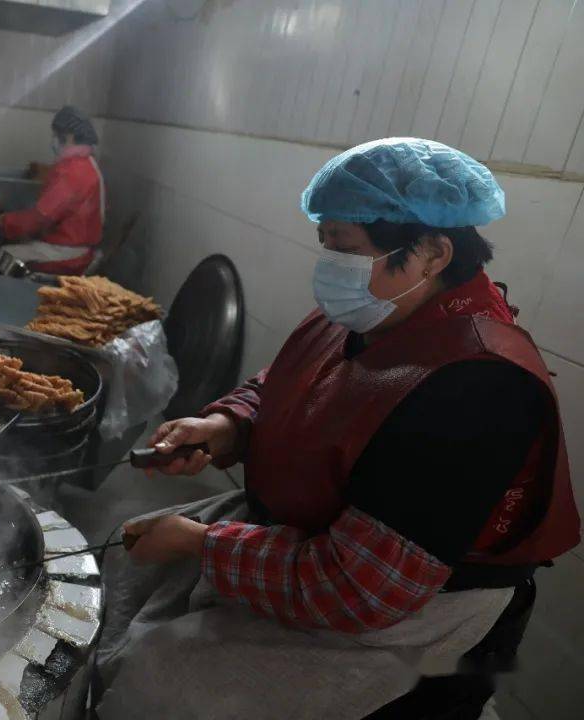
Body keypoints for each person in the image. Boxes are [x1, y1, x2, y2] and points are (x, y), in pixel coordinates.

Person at [94, 138, 580, 719]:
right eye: (325, 245)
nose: (329, 268)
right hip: (309, 535)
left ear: (431, 252)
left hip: (401, 607)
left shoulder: (479, 387)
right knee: (123, 566)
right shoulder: (367, 309)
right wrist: (227, 424)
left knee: (156, 679)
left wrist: (201, 544)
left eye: (345, 249)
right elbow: (285, 384)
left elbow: (358, 588)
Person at [0, 105, 105, 275]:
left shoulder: (73, 172)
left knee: (1, 257)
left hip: (67, 253)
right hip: (74, 246)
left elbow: (40, 217)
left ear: (68, 136)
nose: (53, 140)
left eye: (55, 134)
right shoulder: (86, 163)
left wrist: (1, 221)